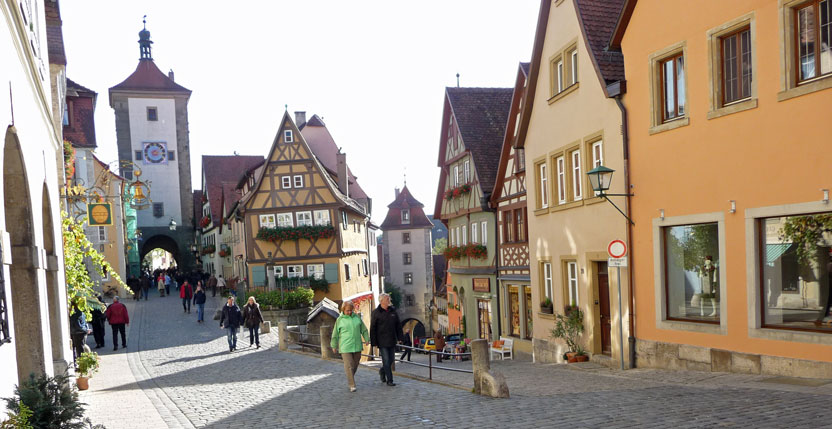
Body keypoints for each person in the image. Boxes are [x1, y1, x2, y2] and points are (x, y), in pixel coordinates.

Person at [331, 301, 370, 392]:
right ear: (343, 309)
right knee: (349, 365)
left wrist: (366, 339)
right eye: (347, 310)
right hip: (345, 346)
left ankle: (350, 377)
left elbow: (364, 329)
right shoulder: (339, 320)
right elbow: (335, 334)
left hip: (357, 345)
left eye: (350, 310)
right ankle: (352, 384)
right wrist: (334, 345)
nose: (349, 312)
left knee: (355, 364)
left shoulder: (357, 318)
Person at [370, 293, 403, 387]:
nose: (389, 301)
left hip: (392, 339)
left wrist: (400, 337)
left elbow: (398, 325)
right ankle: (390, 380)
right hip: (382, 340)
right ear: (381, 301)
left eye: (389, 299)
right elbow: (373, 328)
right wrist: (374, 342)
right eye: (387, 299)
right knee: (386, 360)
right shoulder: (376, 313)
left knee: (391, 359)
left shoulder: (393, 311)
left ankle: (382, 371)